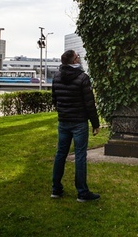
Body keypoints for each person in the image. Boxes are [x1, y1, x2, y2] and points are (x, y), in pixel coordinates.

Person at [51, 49, 101, 202]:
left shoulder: (56, 77)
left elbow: (55, 99)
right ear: (73, 61)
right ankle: (82, 193)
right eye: (77, 57)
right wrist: (95, 123)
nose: (79, 58)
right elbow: (89, 103)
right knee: (80, 156)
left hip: (63, 121)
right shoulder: (83, 78)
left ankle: (56, 189)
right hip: (79, 122)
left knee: (60, 154)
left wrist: (63, 111)